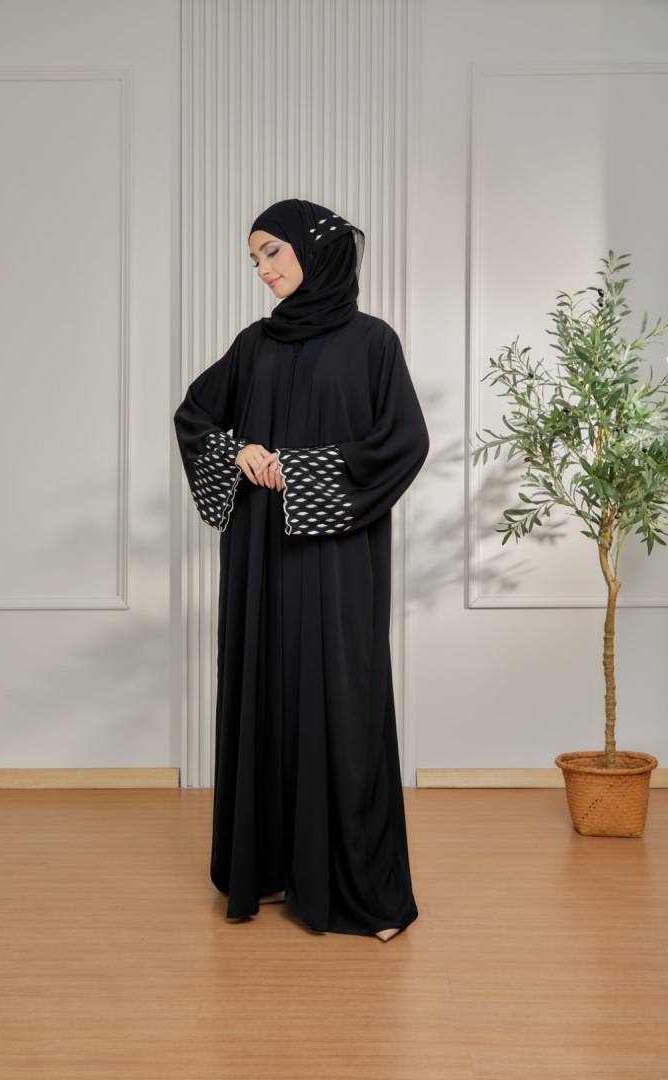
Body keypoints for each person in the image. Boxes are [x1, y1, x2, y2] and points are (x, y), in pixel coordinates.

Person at [173, 198, 429, 941]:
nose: (263, 269)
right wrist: (239, 452)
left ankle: (361, 891)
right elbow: (195, 417)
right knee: (266, 691)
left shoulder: (374, 342)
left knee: (344, 703)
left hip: (337, 557)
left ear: (316, 251)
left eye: (273, 252)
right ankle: (271, 866)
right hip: (259, 554)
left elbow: (402, 443)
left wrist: (307, 472)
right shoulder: (254, 344)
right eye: (254, 257)